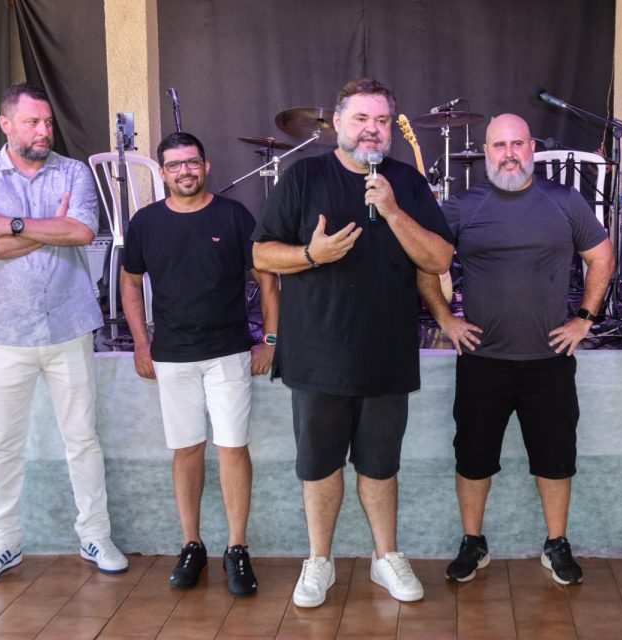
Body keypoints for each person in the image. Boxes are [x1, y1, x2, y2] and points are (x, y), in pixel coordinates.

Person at [252, 78, 453, 607]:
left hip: (386, 354)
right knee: (319, 466)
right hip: (316, 354)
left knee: (380, 465)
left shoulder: (405, 183)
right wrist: (311, 255)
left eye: (381, 120)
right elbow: (262, 254)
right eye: (361, 119)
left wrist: (393, 211)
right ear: (337, 123)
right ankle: (320, 561)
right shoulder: (303, 178)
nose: (372, 129)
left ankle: (385, 558)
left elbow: (438, 259)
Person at [417, 114, 614, 585]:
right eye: (499, 145)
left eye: (517, 144)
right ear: (486, 152)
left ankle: (556, 543)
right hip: (482, 361)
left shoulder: (564, 201)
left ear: (532, 148)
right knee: (472, 458)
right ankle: (473, 542)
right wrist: (445, 320)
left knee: (556, 459)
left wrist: (584, 320)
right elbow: (425, 263)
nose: (509, 154)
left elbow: (602, 258)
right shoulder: (463, 206)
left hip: (549, 361)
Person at [0, 82, 127, 585]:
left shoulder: (73, 172)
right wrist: (46, 225)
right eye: (33, 122)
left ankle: (95, 535)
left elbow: (80, 232)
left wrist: (8, 224)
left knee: (83, 440)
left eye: (47, 121)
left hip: (69, 326)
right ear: (5, 124)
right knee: (4, 445)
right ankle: (3, 544)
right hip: (5, 332)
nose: (43, 130)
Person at [120, 132, 279, 597]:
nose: (184, 171)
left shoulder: (233, 216)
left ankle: (237, 548)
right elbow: (130, 284)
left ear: (206, 166)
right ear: (162, 173)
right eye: (174, 165)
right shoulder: (146, 222)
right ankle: (191, 545)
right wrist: (141, 343)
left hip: (228, 353)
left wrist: (270, 340)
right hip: (172, 357)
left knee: (232, 448)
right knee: (186, 450)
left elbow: (268, 279)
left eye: (191, 162)